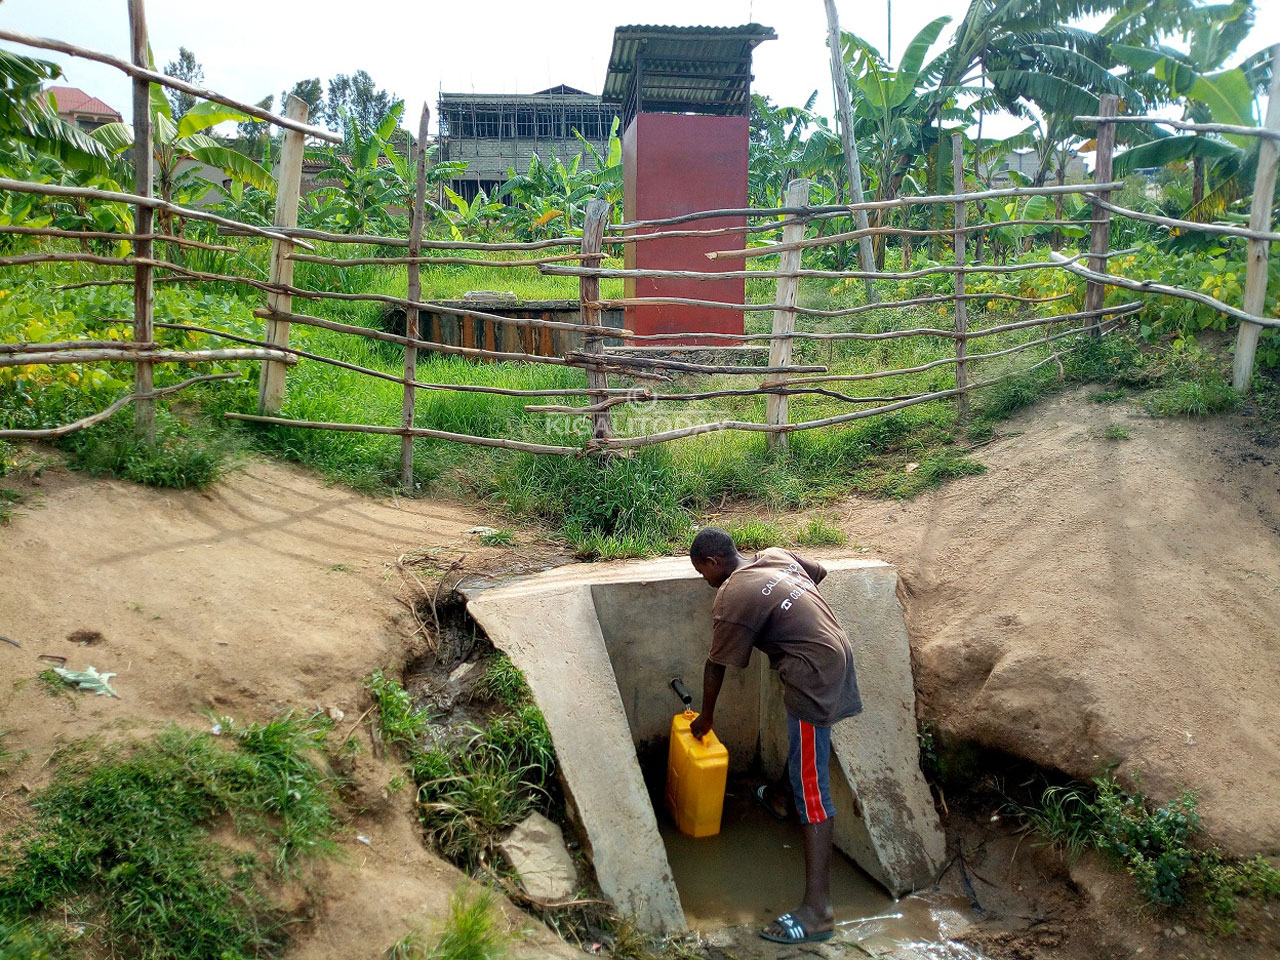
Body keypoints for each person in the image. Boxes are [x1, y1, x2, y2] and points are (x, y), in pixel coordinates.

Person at [688, 527, 862, 945]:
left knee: (813, 787)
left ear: (713, 563)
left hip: (811, 675)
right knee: (806, 757)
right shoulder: (774, 554)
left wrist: (706, 718)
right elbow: (816, 575)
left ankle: (818, 911)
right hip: (836, 650)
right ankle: (781, 799)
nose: (705, 581)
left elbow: (718, 665)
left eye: (702, 573)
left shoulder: (731, 596)